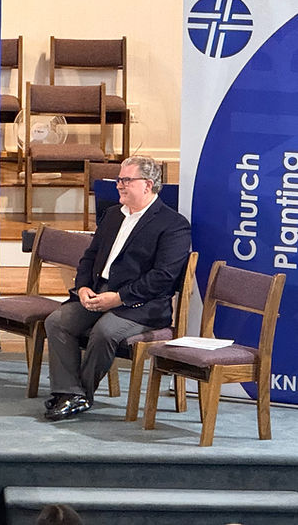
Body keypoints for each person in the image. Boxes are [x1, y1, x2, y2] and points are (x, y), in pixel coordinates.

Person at [43, 156, 190, 421]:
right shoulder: (112, 215)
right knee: (57, 321)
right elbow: (89, 257)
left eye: (125, 180)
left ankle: (80, 395)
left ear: (147, 184)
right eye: (118, 180)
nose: (119, 185)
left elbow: (163, 278)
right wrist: (84, 287)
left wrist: (119, 298)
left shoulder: (173, 224)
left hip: (143, 305)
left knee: (105, 331)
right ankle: (68, 391)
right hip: (100, 293)